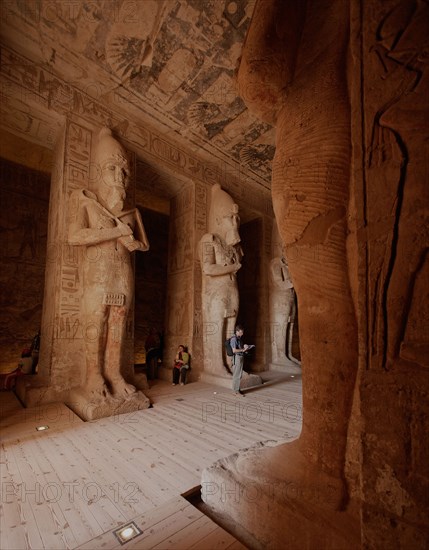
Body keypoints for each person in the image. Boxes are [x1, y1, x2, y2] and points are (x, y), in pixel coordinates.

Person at [68, 127, 149, 399]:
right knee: (97, 320)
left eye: (124, 172)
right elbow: (75, 236)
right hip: (97, 274)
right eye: (113, 169)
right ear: (99, 172)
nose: (120, 177)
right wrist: (115, 231)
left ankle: (114, 373)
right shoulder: (86, 203)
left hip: (122, 273)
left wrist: (133, 242)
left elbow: (138, 243)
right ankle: (94, 375)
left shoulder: (129, 213)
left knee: (119, 322)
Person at [230, 325, 252, 396]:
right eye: (241, 332)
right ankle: (235, 391)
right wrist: (243, 349)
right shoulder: (234, 339)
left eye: (242, 332)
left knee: (239, 374)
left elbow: (239, 347)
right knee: (237, 374)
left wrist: (245, 346)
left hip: (240, 356)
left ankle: (237, 389)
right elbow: (234, 350)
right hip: (237, 357)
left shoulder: (238, 338)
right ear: (237, 332)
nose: (242, 334)